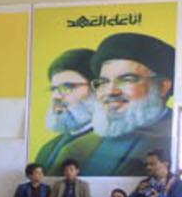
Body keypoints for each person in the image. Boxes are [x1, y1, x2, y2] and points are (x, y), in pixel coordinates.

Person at [63, 32, 176, 176]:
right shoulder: (77, 148)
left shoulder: (175, 134)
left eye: (127, 79)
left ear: (162, 87)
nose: (111, 91)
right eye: (103, 82)